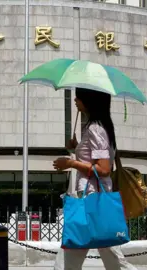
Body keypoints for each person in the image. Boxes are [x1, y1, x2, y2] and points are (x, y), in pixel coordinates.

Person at [52, 88, 137, 270]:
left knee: (74, 250)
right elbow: (96, 160)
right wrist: (77, 148)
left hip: (91, 196)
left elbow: (103, 169)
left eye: (79, 96)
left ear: (89, 100)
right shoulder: (100, 126)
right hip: (94, 197)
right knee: (107, 255)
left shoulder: (95, 128)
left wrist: (71, 163)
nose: (75, 99)